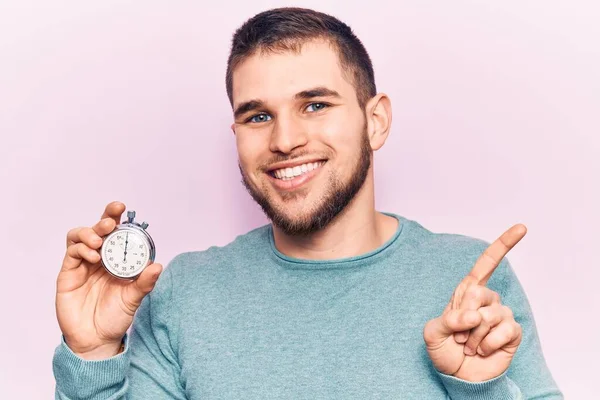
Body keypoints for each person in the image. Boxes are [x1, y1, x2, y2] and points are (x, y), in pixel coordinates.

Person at [53, 7, 563, 399]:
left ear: (376, 121)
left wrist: (480, 388)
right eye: (257, 116)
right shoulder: (184, 291)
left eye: (315, 105)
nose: (285, 139)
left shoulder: (469, 279)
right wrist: (94, 356)